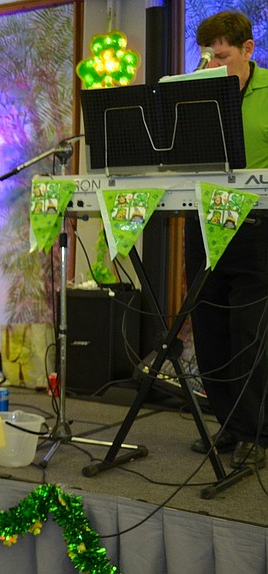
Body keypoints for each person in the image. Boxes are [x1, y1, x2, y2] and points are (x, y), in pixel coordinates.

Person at [185, 10, 268, 469]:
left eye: (223, 57)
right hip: (204, 221)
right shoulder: (197, 93)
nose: (216, 66)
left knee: (249, 331)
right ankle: (230, 425)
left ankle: (258, 430)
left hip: (258, 229)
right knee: (210, 326)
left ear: (248, 50)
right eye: (210, 59)